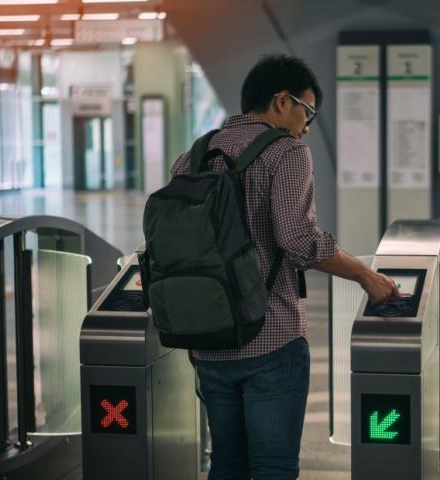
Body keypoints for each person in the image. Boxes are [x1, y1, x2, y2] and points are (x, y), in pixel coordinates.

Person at [169, 54, 399, 480]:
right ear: (281, 101)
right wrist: (367, 276)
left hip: (206, 340)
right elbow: (298, 240)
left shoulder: (193, 156)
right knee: (273, 467)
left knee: (227, 464)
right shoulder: (286, 152)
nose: (307, 125)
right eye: (307, 111)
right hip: (270, 340)